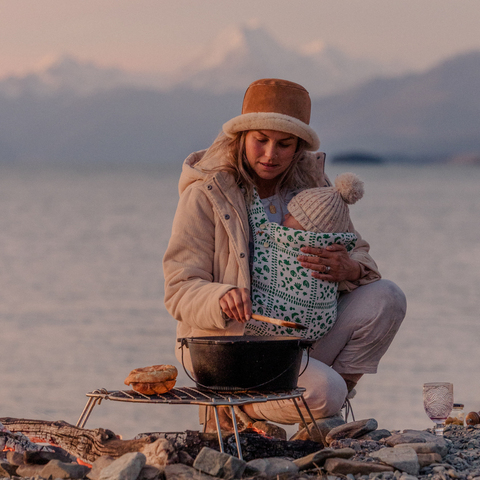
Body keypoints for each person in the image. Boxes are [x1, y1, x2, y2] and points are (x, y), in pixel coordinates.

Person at [163, 78, 407, 432]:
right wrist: (220, 295)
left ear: (298, 147)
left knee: (389, 297)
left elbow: (363, 257)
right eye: (260, 140)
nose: (270, 154)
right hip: (231, 348)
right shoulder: (207, 193)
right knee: (327, 391)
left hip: (298, 341)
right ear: (242, 136)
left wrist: (349, 268)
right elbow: (179, 287)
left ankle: (313, 410)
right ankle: (244, 409)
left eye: (284, 144)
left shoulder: (314, 188)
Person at [245, 172, 364, 339]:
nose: (285, 215)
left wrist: (352, 269)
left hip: (272, 322)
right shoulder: (341, 241)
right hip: (320, 327)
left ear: (307, 226)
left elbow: (261, 226)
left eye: (292, 214)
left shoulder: (278, 234)